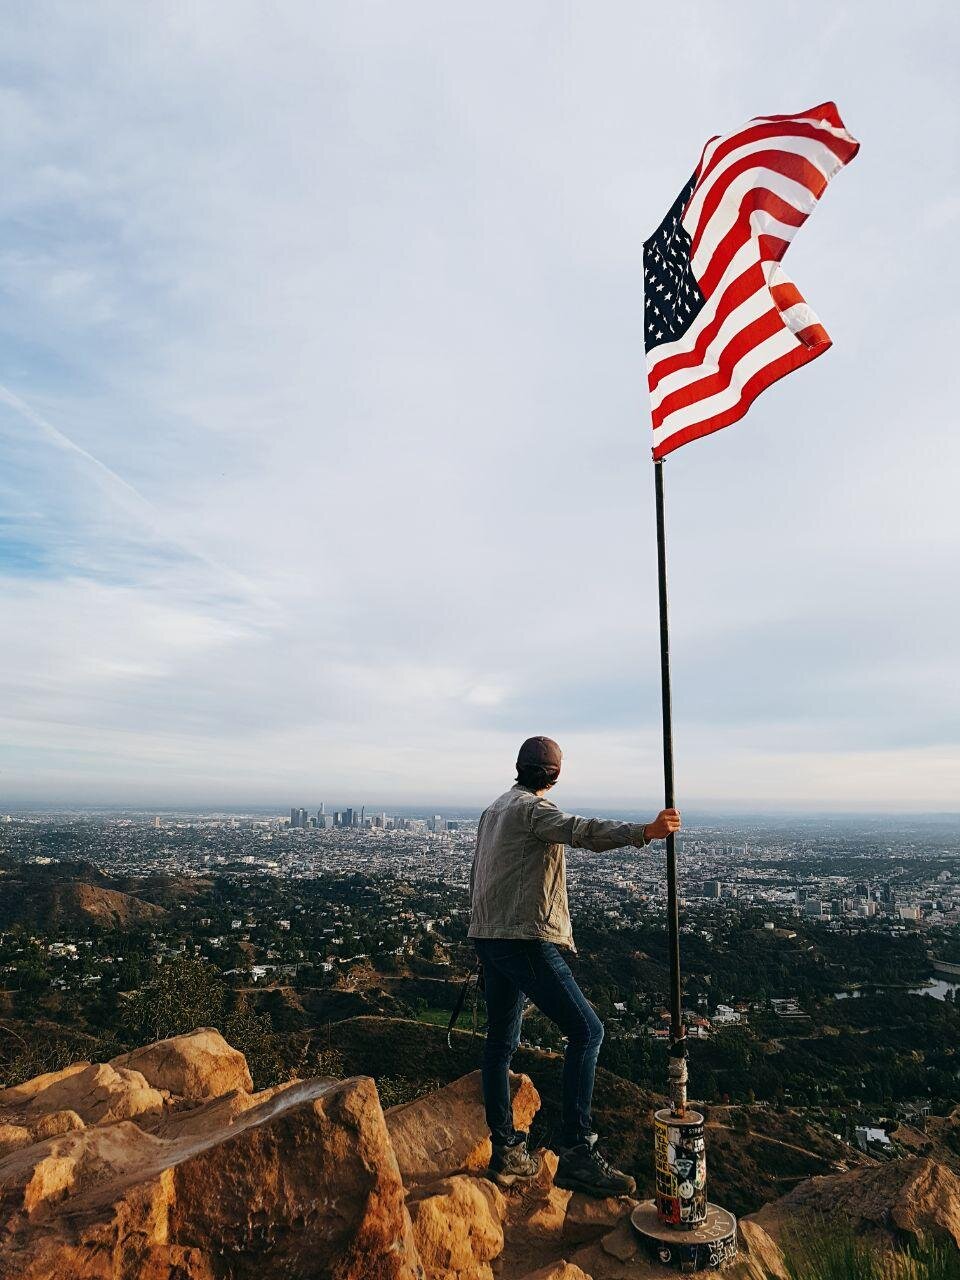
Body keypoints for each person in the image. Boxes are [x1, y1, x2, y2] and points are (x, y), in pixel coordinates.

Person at [468, 735, 681, 1195]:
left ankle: (505, 1152)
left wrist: (483, 942)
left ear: (518, 767)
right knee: (588, 1031)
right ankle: (578, 1153)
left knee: (500, 1045)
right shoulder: (533, 812)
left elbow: (479, 876)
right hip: (524, 938)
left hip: (489, 936)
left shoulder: (492, 812)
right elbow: (582, 831)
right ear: (556, 776)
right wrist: (646, 831)